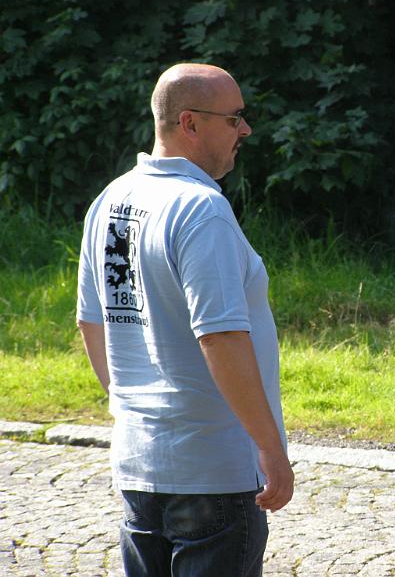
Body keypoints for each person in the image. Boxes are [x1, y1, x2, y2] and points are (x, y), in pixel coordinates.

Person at [76, 63, 293, 576]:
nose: (246, 130)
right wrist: (269, 447)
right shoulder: (200, 210)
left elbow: (92, 322)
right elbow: (219, 336)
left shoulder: (111, 199)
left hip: (136, 465)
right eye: (235, 118)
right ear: (190, 123)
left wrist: (132, 408)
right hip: (212, 471)